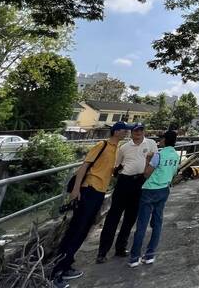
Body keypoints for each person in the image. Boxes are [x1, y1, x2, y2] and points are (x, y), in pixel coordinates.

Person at [51, 121, 131, 286]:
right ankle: (57, 272)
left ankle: (67, 264)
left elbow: (105, 169)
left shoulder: (116, 149)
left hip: (100, 192)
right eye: (124, 130)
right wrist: (76, 190)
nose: (126, 133)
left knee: (83, 230)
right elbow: (84, 167)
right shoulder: (102, 145)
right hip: (89, 190)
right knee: (76, 229)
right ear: (116, 132)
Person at [96, 123, 157, 263]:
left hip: (140, 182)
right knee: (113, 216)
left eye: (141, 130)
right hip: (124, 182)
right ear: (131, 132)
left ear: (144, 131)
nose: (138, 132)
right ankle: (102, 251)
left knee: (130, 218)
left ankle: (120, 247)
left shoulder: (151, 143)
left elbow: (155, 161)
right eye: (136, 130)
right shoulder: (123, 148)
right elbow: (117, 166)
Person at [129, 130, 180, 267]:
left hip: (150, 190)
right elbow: (174, 172)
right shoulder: (176, 155)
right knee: (157, 223)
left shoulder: (159, 155)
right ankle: (150, 254)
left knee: (142, 224)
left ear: (164, 140)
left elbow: (146, 174)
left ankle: (134, 257)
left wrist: (147, 160)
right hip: (164, 189)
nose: (160, 141)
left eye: (161, 138)